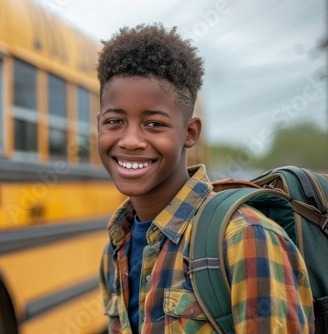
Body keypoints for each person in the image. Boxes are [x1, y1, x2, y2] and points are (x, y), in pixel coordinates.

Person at [96, 23, 314, 333]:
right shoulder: (117, 245)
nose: (130, 140)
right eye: (115, 121)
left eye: (154, 124)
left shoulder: (244, 238)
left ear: (190, 132)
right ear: (99, 125)